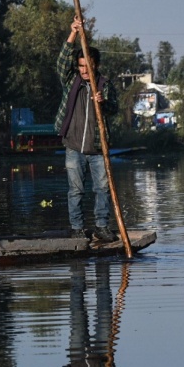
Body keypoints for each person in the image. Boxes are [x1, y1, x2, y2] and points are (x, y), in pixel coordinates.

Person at [55, 16, 119, 242]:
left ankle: (102, 226)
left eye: (87, 66)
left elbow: (114, 109)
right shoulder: (71, 80)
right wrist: (73, 32)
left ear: (95, 66)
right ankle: (77, 228)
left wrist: (103, 103)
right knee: (76, 190)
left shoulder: (104, 84)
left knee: (102, 189)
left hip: (97, 148)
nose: (83, 70)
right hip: (73, 146)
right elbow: (62, 61)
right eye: (81, 66)